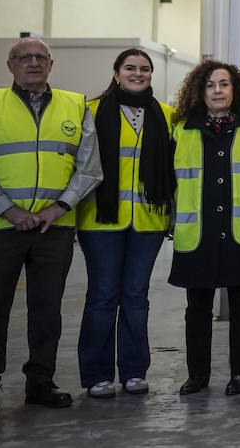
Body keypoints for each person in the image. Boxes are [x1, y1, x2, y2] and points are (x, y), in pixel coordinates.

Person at [0, 38, 102, 422]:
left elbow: (89, 169)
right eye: (25, 57)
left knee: (47, 308)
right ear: (10, 65)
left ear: (52, 64)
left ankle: (40, 382)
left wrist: (59, 208)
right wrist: (9, 211)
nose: (34, 63)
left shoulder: (76, 104)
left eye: (41, 57)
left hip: (52, 229)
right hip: (0, 227)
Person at [76, 48, 175, 400]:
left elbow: (173, 172)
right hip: (100, 222)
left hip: (148, 221)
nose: (138, 73)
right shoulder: (89, 110)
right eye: (130, 68)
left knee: (136, 297)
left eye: (144, 69)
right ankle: (97, 375)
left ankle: (134, 371)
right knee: (103, 296)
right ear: (116, 73)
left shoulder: (166, 114)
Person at [168, 61, 240, 397]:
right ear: (199, 91)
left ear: (235, 90)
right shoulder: (181, 129)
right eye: (210, 85)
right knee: (197, 309)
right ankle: (197, 375)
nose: (217, 91)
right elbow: (170, 180)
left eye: (224, 84)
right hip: (197, 233)